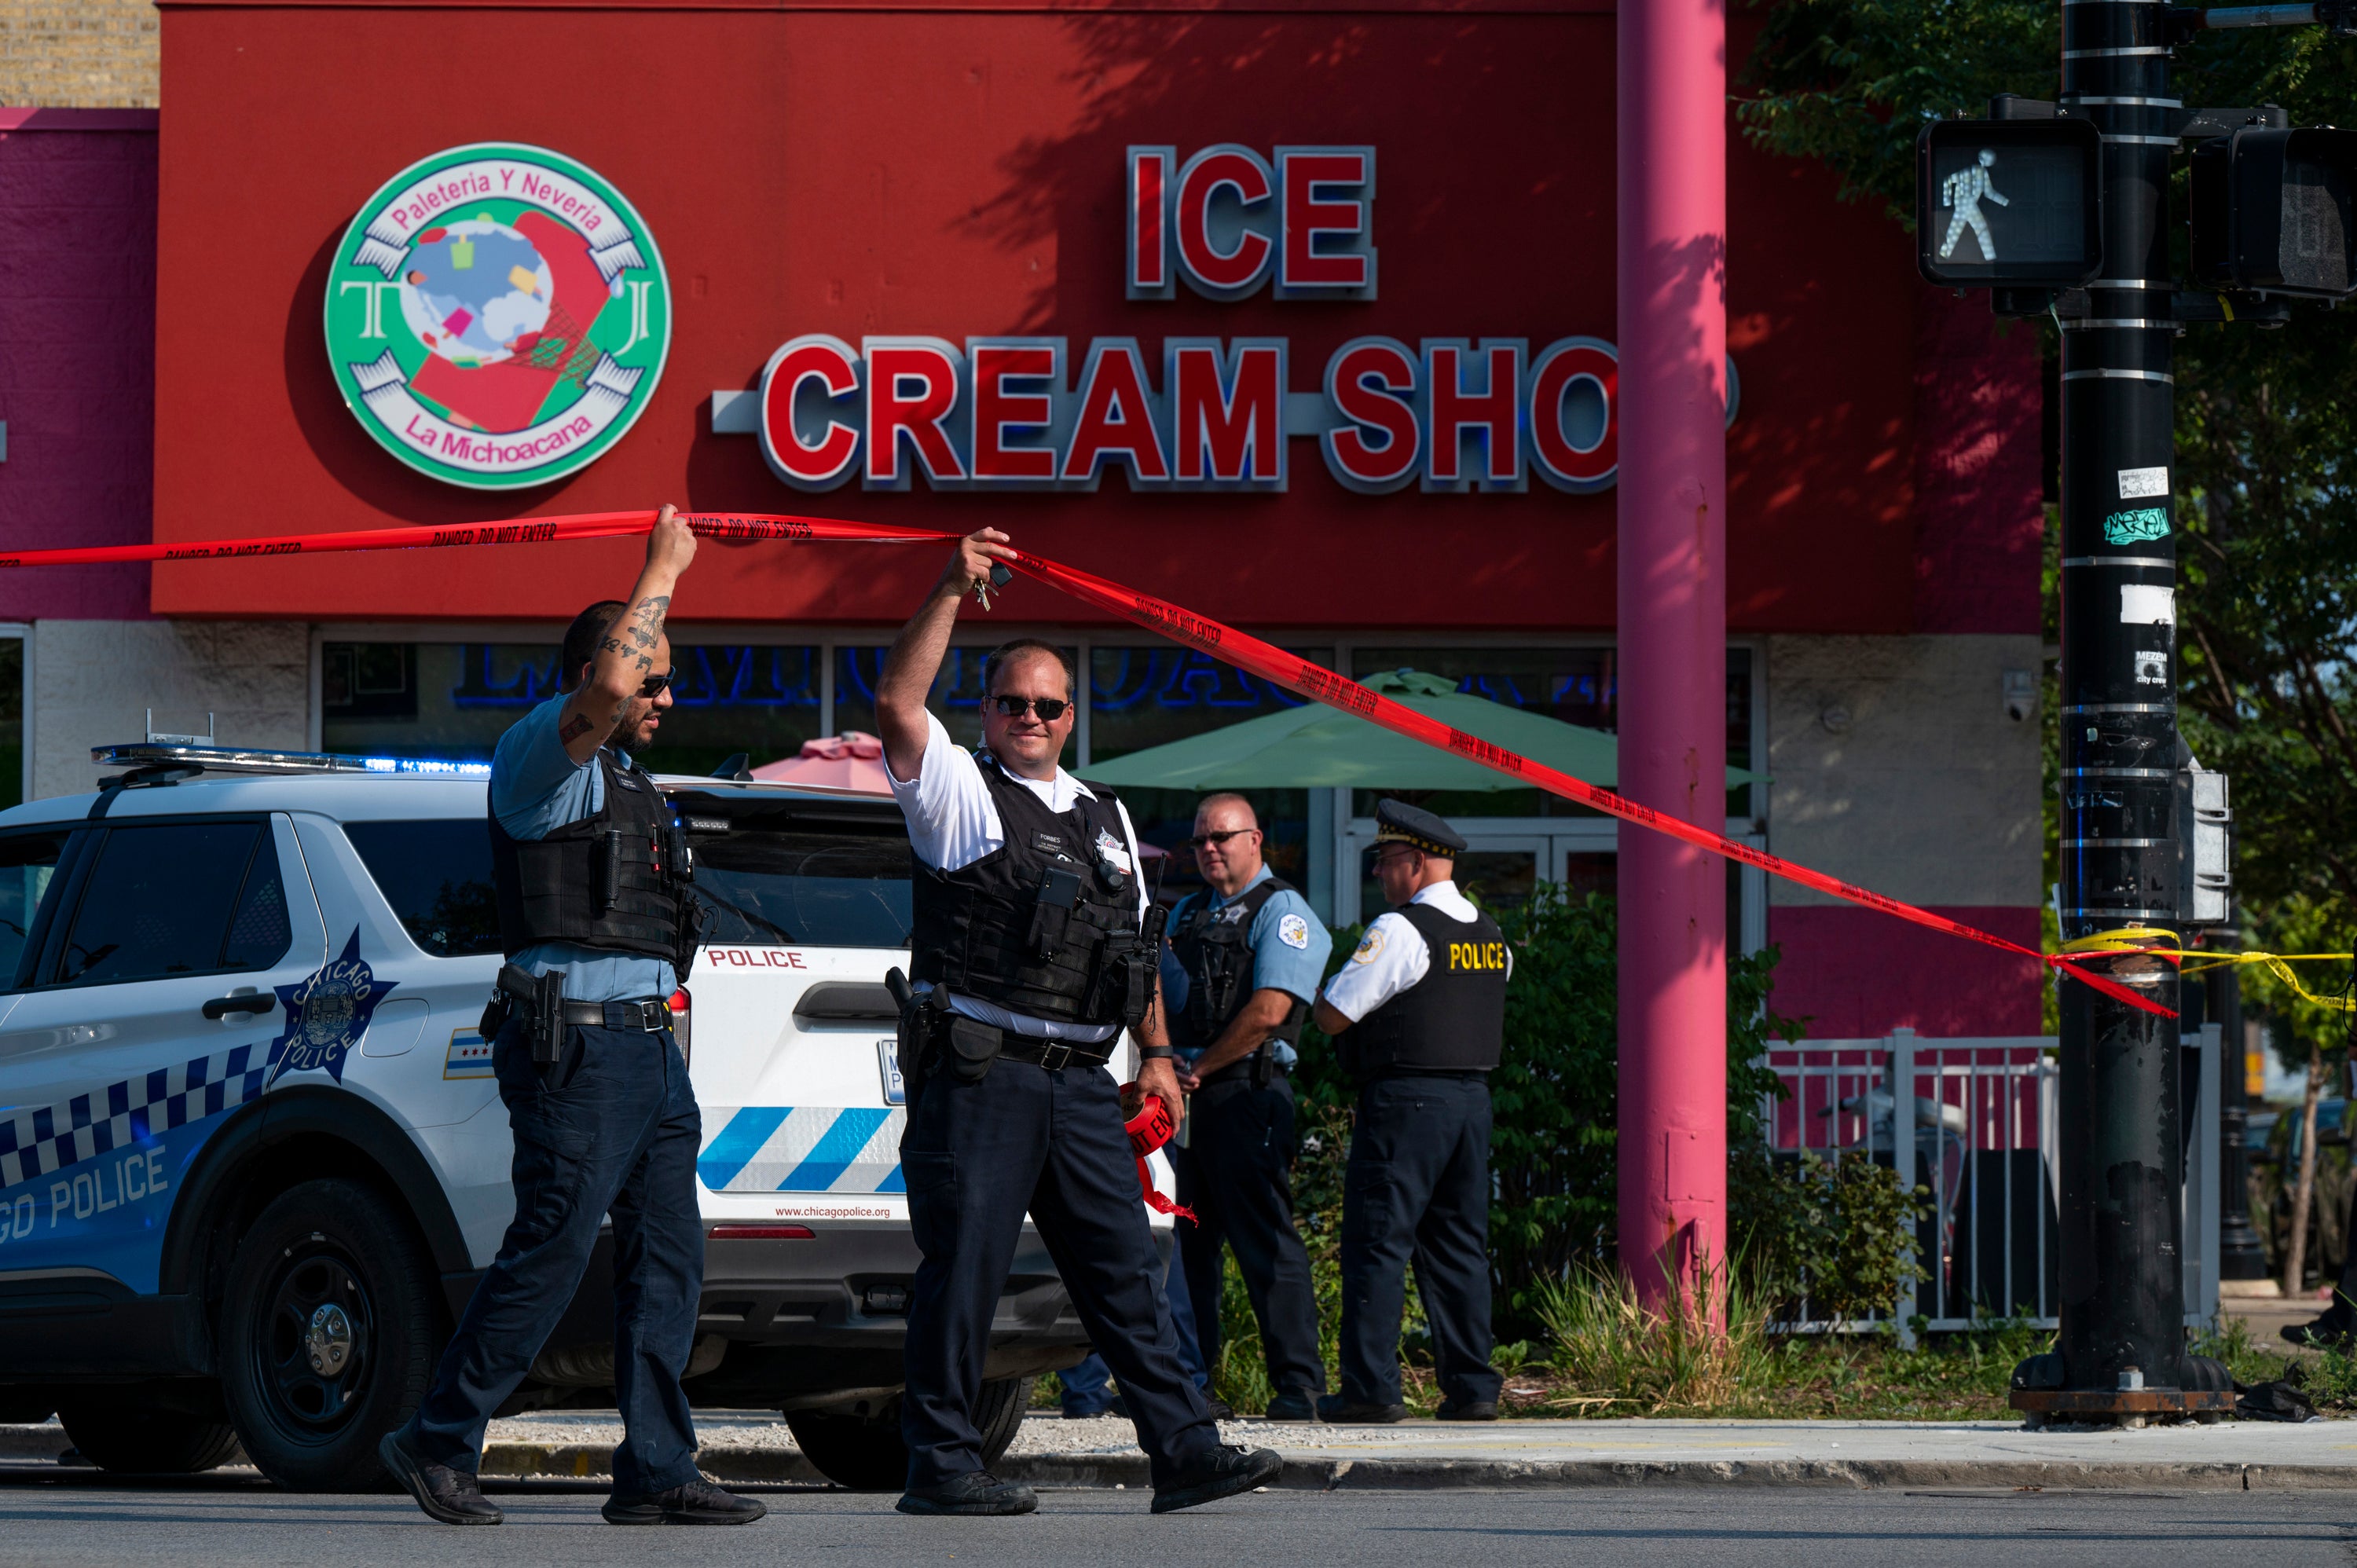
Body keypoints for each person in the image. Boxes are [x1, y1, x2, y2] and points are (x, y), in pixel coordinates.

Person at [876, 526, 1281, 1516]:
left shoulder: (1107, 815)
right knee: (964, 1271)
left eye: (1046, 705)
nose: (1027, 716)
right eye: (1010, 701)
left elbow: (1135, 948)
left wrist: (1155, 1056)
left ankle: (1182, 1450)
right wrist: (946, 586)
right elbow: (896, 703)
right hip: (985, 1072)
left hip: (1083, 1081)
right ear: (988, 710)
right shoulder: (961, 793)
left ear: (1069, 716)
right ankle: (941, 1460)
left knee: (1123, 1270)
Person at [379, 507, 765, 1528]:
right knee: (552, 1249)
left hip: (647, 1048)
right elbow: (606, 686)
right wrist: (665, 567)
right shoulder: (540, 761)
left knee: (668, 1257)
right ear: (605, 666)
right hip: (578, 1046)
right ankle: (437, 1438)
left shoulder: (636, 788)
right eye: (655, 673)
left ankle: (655, 1468)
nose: (666, 695)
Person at [1310, 800, 1509, 1424]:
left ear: (1417, 863)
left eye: (1386, 861)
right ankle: (1473, 1385)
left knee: (1377, 1243)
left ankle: (1370, 1388)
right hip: (1471, 1103)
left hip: (1406, 1102)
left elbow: (1334, 1014)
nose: (1380, 874)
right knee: (1459, 1247)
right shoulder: (1490, 933)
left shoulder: (1400, 929)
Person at [1162, 793, 1331, 1421]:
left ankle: (1298, 1388)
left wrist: (1199, 1068)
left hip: (1245, 1096)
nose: (1209, 849)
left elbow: (1270, 1012)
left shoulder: (1282, 911)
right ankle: (1193, 1387)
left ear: (1255, 840)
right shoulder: (1183, 913)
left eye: (1222, 838)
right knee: (1187, 1250)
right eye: (1200, 840)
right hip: (1184, 1102)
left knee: (1267, 1247)